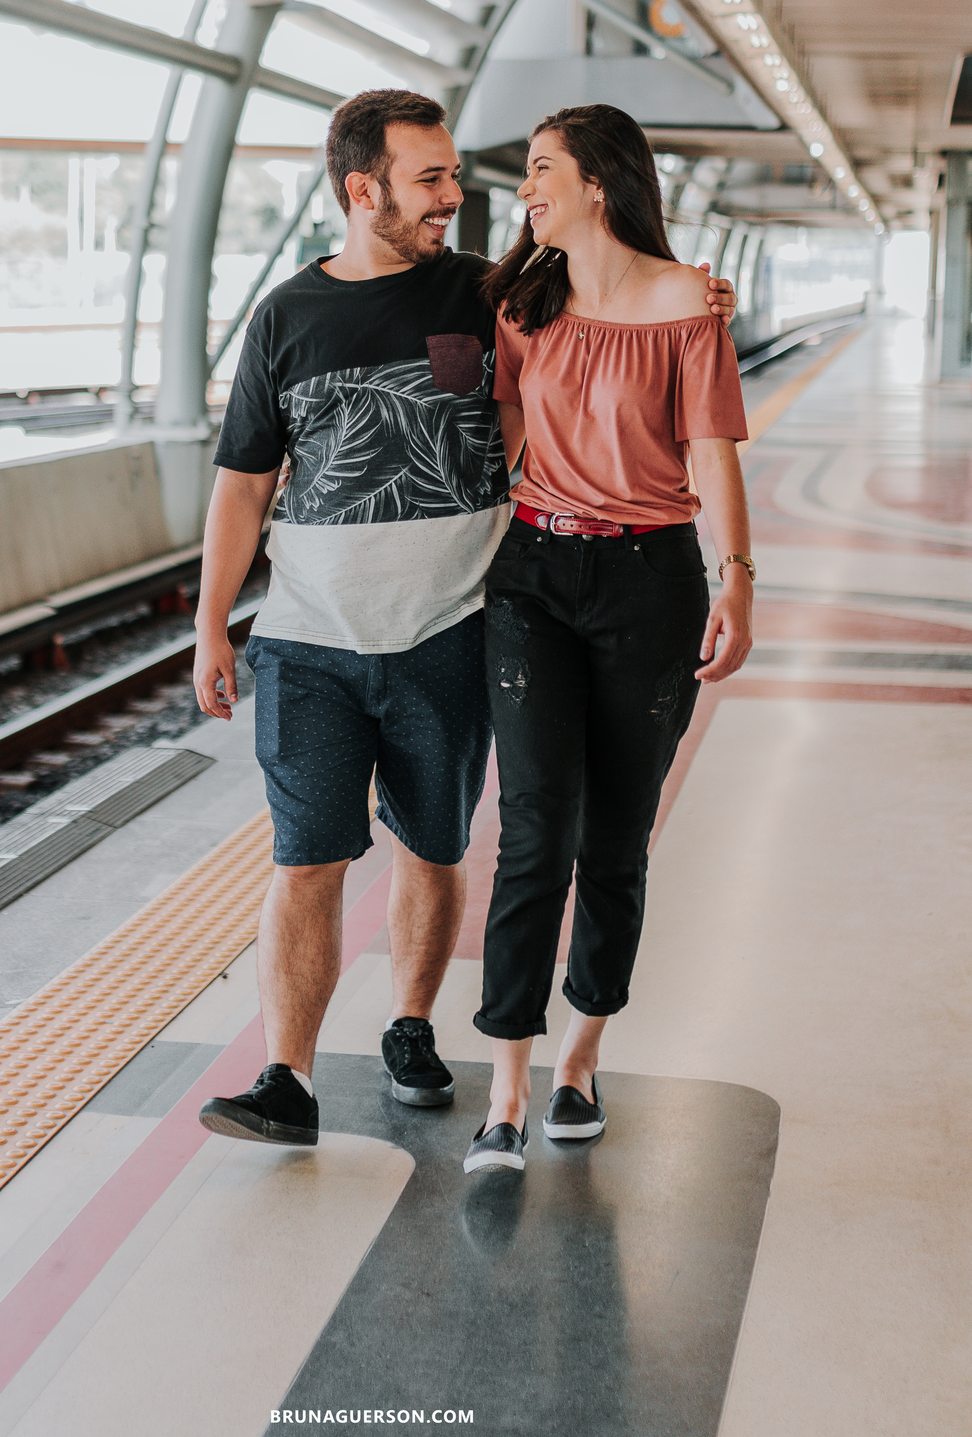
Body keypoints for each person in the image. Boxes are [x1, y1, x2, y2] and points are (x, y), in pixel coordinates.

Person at [190, 89, 736, 1149]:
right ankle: (286, 1080)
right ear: (364, 190)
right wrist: (213, 623)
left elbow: (618, 309)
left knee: (435, 847)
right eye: (431, 179)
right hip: (307, 636)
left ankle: (409, 1026)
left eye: (456, 174)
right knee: (307, 855)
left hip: (450, 628)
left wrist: (698, 296)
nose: (457, 195)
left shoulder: (495, 294)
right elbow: (244, 484)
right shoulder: (284, 318)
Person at [462, 103, 754, 1174]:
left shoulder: (688, 302)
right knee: (534, 826)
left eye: (544, 169)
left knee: (616, 838)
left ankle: (580, 1058)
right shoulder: (520, 302)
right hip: (534, 573)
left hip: (651, 578)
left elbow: (712, 450)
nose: (527, 187)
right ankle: (503, 1090)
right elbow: (492, 432)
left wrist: (740, 581)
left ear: (599, 183)